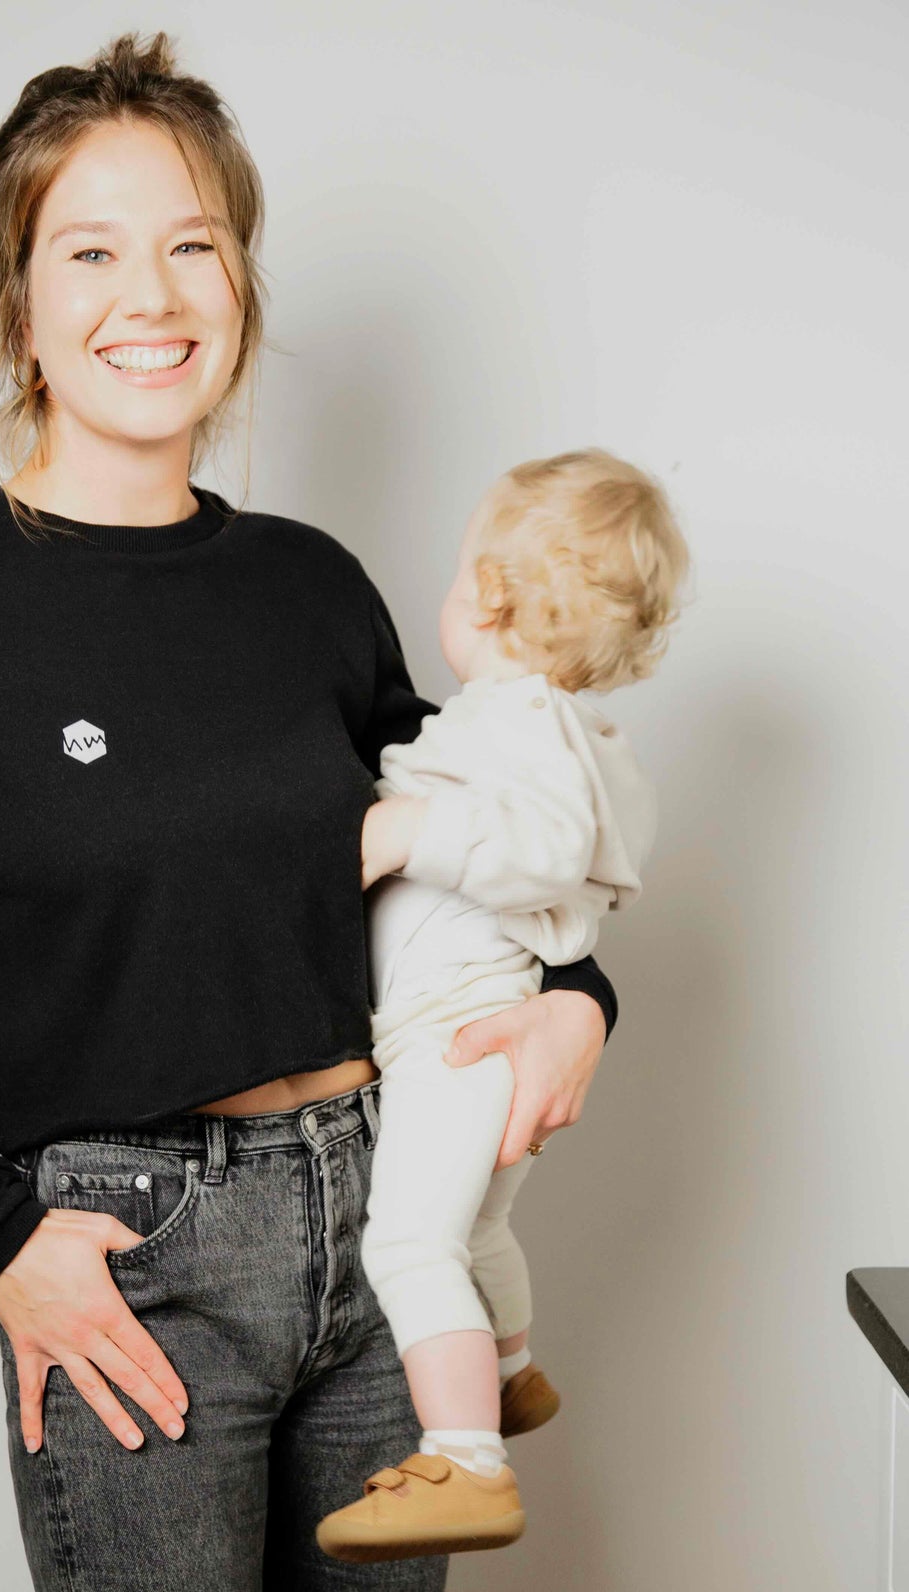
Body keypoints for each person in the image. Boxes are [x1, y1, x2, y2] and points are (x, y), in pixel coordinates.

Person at [0, 32, 619, 1590]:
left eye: (194, 247)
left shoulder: (313, 589)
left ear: (241, 283)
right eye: (91, 250)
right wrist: (1, 1245)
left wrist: (578, 998)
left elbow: (498, 838)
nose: (152, 298)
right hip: (129, 1262)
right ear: (19, 300)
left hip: (388, 1227)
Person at [314, 450, 689, 1562]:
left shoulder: (513, 717)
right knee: (477, 1226)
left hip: (456, 1034)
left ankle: (465, 1459)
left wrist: (400, 831)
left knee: (408, 1241)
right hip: (496, 1028)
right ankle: (511, 1370)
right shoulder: (570, 731)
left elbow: (544, 848)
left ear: (483, 590)